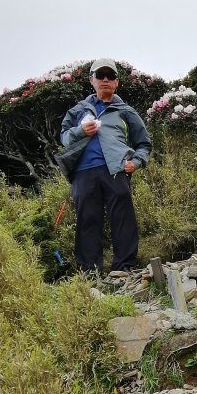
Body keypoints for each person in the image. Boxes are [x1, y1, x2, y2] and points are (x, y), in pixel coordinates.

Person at [57, 58, 151, 275]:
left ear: (117, 82)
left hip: (116, 169)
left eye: (111, 76)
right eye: (101, 76)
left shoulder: (125, 111)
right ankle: (89, 273)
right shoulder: (78, 110)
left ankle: (124, 268)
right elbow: (64, 137)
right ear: (92, 80)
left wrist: (135, 162)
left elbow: (144, 143)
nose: (105, 80)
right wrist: (81, 131)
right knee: (87, 220)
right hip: (83, 171)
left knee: (123, 218)